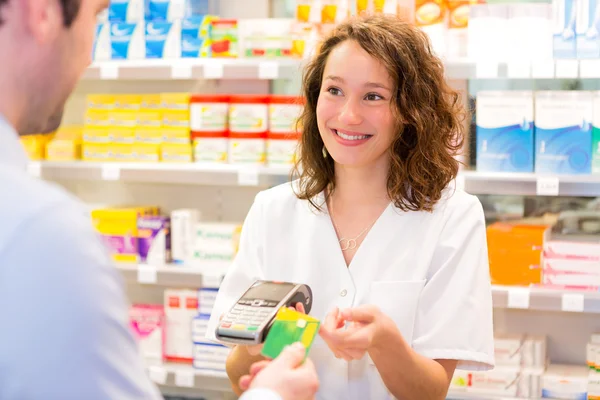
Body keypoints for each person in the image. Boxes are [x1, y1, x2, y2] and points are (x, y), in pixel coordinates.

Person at [0, 0, 318, 399]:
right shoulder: (41, 232)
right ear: (41, 12)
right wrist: (272, 394)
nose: (89, 56)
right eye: (96, 18)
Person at [206, 14, 495, 399]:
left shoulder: (453, 217)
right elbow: (237, 371)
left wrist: (385, 340)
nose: (348, 115)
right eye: (334, 91)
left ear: (410, 111)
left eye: (373, 96)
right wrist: (259, 343)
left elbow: (430, 391)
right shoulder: (273, 211)